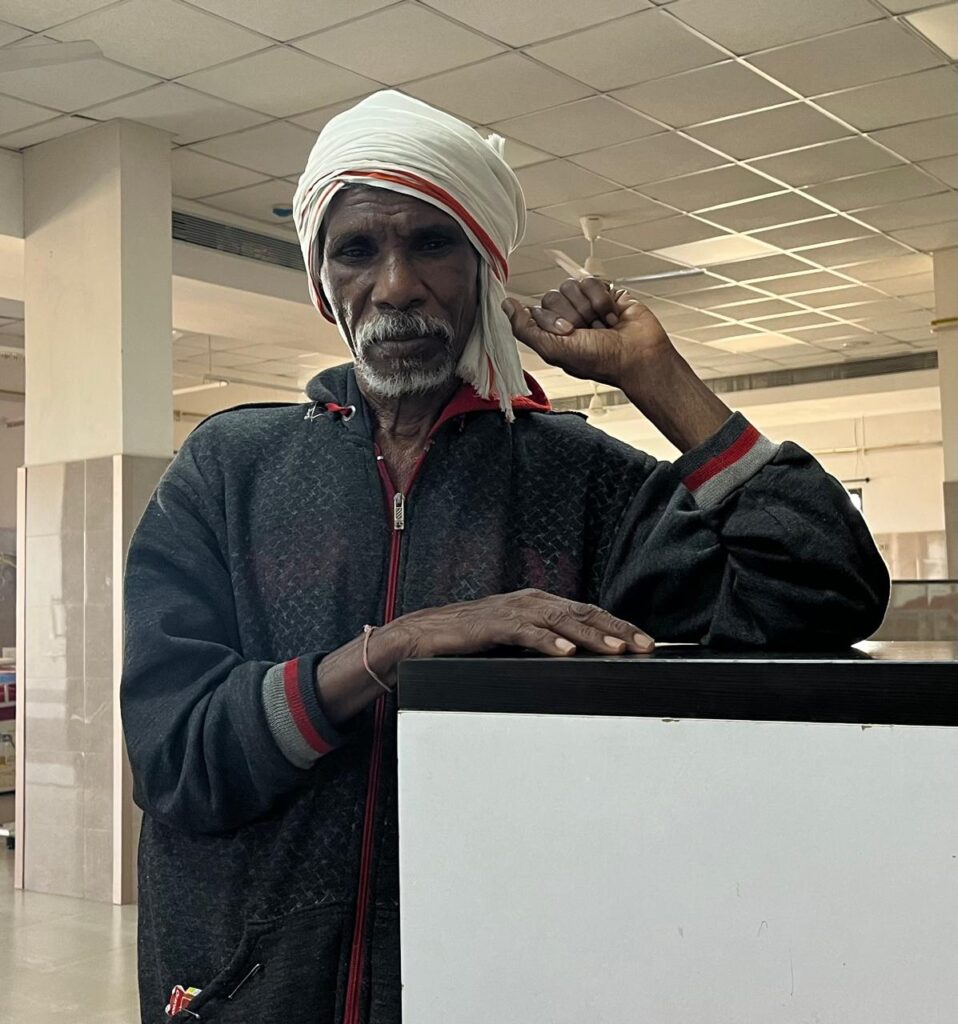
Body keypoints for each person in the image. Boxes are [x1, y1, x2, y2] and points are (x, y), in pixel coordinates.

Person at [121, 91, 889, 1023]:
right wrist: (390, 650)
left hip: (500, 975)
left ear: (485, 267)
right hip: (247, 991)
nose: (396, 285)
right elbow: (175, 757)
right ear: (322, 280)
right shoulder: (230, 469)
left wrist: (659, 380)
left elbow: (822, 592)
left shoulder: (580, 479)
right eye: (357, 248)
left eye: (433, 244)